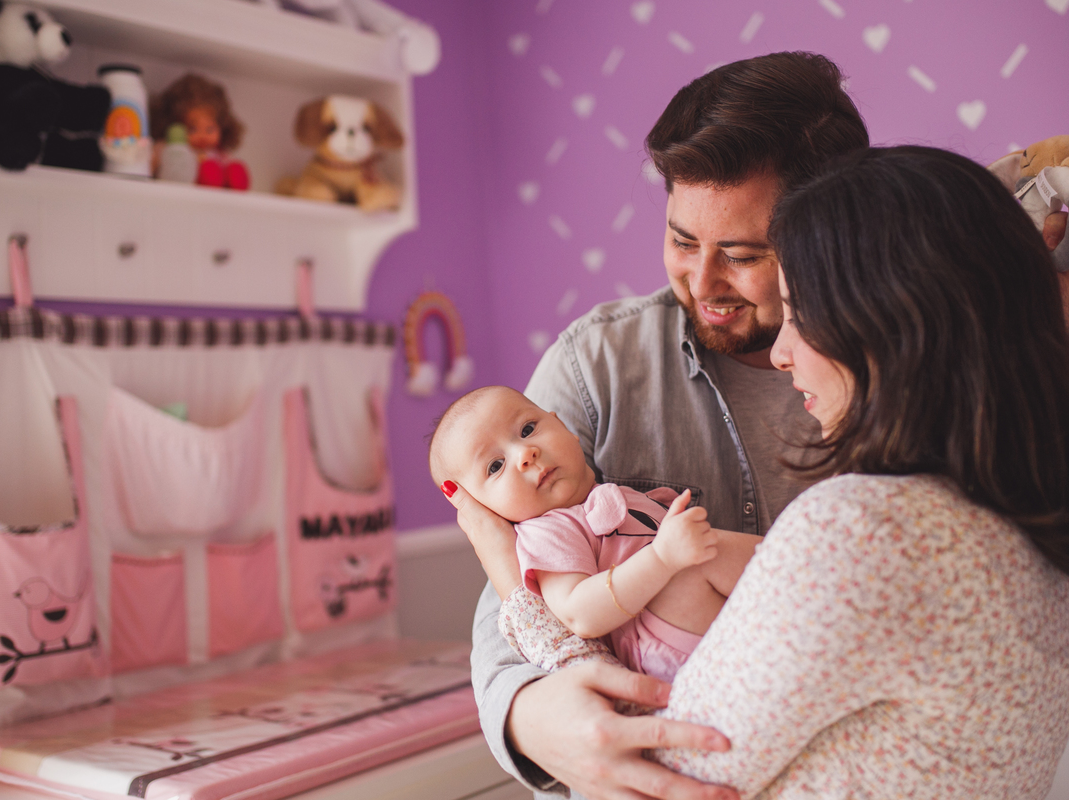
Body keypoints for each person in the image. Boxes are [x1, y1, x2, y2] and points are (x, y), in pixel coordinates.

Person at [444, 51, 871, 800]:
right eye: (681, 241)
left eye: (742, 255)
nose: (702, 286)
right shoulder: (595, 365)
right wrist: (537, 720)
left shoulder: (894, 367)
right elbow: (513, 599)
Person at [634, 145, 1069, 795]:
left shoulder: (862, 530)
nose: (781, 354)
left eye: (800, 314)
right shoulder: (1029, 521)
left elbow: (659, 778)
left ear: (894, 322)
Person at [429, 386, 760, 680]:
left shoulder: (610, 494)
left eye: (528, 429)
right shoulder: (546, 532)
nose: (525, 454)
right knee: (704, 560)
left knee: (709, 551)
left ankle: (791, 579)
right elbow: (579, 613)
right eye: (495, 466)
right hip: (657, 644)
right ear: (483, 508)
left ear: (565, 427)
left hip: (697, 626)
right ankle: (798, 564)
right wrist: (662, 558)